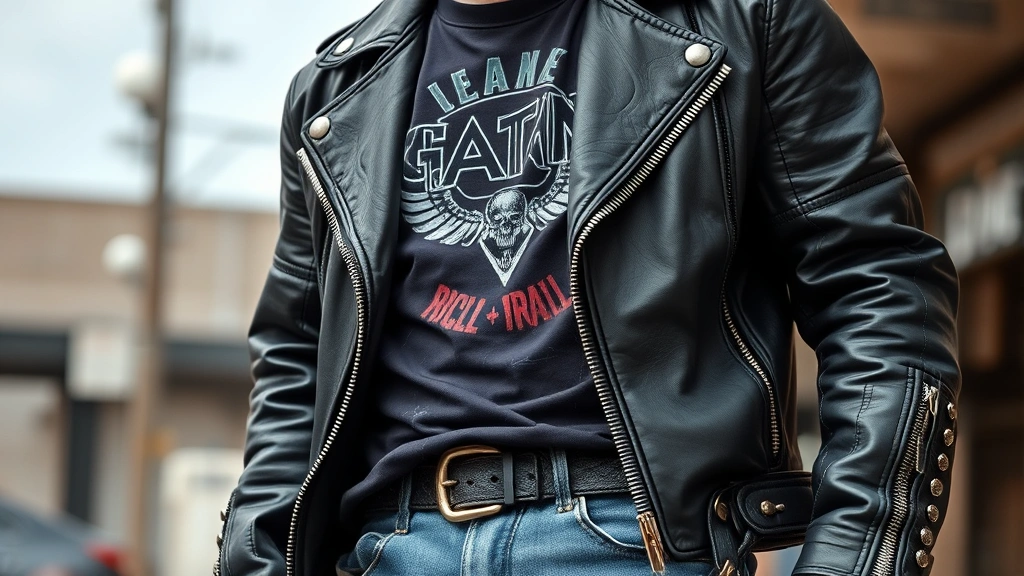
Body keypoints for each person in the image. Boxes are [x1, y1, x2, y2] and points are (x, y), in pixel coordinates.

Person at [215, 0, 961, 574]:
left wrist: (859, 553)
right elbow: (295, 361)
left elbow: (880, 287)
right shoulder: (336, 92)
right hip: (387, 546)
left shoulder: (744, 20)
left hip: (628, 540)